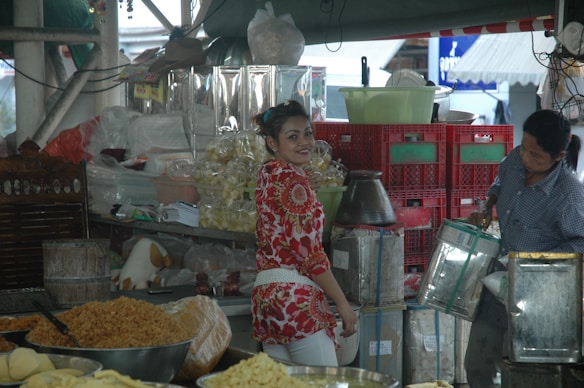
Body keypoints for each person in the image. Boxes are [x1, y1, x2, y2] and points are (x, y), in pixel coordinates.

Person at [465, 109, 584, 388]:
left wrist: (535, 264)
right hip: (498, 284)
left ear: (558, 157)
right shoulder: (516, 160)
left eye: (535, 156)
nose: (525, 159)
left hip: (539, 296)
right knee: (477, 365)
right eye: (524, 149)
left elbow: (580, 242)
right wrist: (486, 205)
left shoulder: (569, 195)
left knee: (521, 374)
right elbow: (499, 181)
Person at [250, 100, 358, 366]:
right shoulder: (294, 182)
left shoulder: (268, 173)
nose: (304, 142)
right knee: (323, 384)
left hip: (266, 300)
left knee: (282, 385)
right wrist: (342, 303)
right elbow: (309, 253)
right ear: (273, 143)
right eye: (292, 136)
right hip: (294, 301)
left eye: (308, 133)